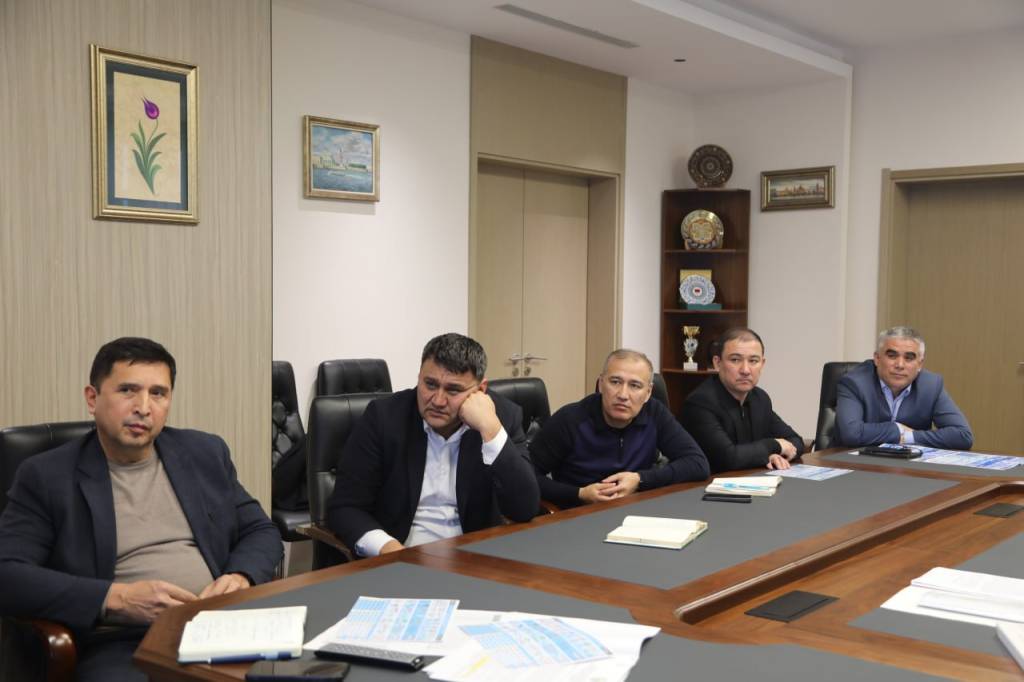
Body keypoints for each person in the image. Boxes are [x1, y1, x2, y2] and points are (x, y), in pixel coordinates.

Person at [0, 337, 282, 682]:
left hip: (219, 626)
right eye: (128, 391)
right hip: (124, 642)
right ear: (92, 398)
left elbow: (260, 530)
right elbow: (8, 573)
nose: (144, 407)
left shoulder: (204, 452)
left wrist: (241, 576)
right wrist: (116, 598)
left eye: (158, 393)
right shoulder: (47, 476)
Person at [327, 333, 539, 557]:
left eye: (453, 390)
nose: (437, 401)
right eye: (430, 384)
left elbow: (525, 508)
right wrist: (391, 551)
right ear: (419, 377)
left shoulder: (501, 418)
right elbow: (345, 507)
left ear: (480, 390)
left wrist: (490, 430)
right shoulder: (383, 418)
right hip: (401, 552)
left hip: (474, 557)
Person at [529, 349, 709, 508]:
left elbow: (697, 463)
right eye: (615, 382)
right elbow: (527, 476)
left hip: (636, 512)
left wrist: (640, 479)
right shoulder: (570, 419)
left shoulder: (654, 413)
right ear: (601, 384)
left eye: (635, 385)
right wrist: (579, 494)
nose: (623, 394)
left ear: (648, 393)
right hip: (577, 514)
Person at [680, 328, 804, 473]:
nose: (745, 370)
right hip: (706, 484)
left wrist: (771, 456)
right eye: (735, 360)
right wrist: (773, 446)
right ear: (717, 363)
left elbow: (795, 441)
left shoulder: (760, 398)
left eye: (753, 361)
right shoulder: (700, 403)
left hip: (751, 480)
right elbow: (728, 458)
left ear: (762, 364)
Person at [835, 326, 973, 450]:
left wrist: (908, 437)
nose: (900, 365)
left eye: (909, 358)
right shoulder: (855, 383)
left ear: (920, 364)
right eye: (892, 356)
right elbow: (852, 434)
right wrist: (897, 430)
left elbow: (963, 436)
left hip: (906, 465)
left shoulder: (931, 385)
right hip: (852, 462)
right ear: (877, 358)